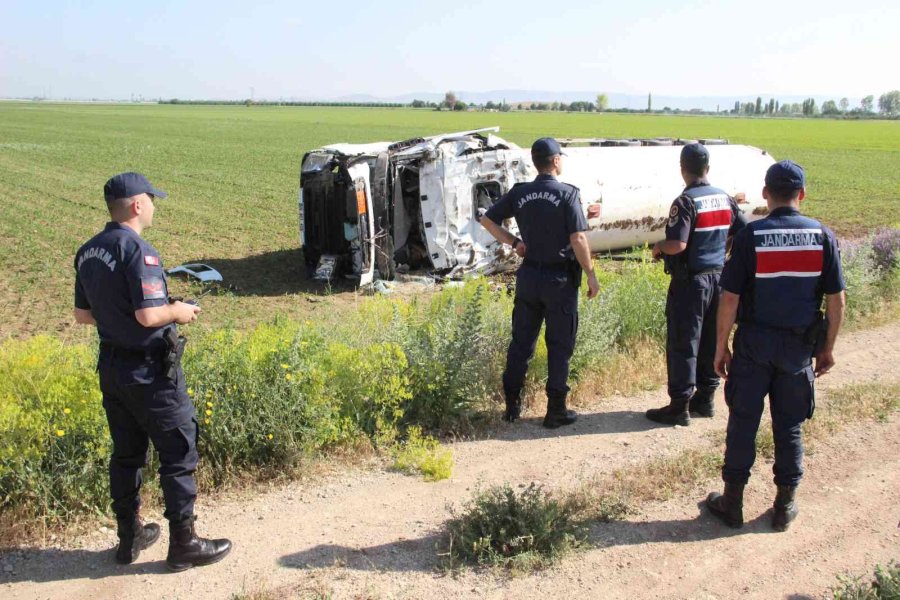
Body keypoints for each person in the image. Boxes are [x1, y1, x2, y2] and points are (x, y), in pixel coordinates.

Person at [73, 172, 232, 570]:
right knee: (178, 451)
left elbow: (82, 315)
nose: (155, 205)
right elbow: (148, 315)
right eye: (152, 199)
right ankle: (184, 544)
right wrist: (179, 311)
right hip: (150, 371)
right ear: (137, 205)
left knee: (127, 455)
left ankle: (129, 539)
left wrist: (119, 320)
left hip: (112, 367)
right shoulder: (139, 250)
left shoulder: (88, 251)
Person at [705, 160, 846, 531]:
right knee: (790, 426)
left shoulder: (751, 236)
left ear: (766, 194)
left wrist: (721, 348)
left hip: (754, 346)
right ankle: (784, 506)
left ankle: (732, 503)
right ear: (801, 194)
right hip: (799, 347)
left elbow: (730, 299)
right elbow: (836, 301)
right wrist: (827, 348)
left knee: (743, 422)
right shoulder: (822, 236)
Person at [479, 138, 600, 428]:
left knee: (521, 342)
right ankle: (555, 409)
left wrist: (515, 242)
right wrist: (591, 274)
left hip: (529, 277)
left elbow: (487, 219)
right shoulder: (568, 194)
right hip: (559, 280)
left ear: (536, 162)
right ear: (556, 161)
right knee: (559, 345)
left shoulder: (521, 193)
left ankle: (511, 406)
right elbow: (578, 238)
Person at [646, 143, 747, 426]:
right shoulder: (725, 198)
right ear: (708, 169)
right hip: (719, 278)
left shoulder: (686, 201)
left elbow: (677, 244)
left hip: (692, 283)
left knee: (684, 341)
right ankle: (706, 399)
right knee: (711, 339)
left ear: (683, 169)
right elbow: (743, 232)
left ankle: (679, 406)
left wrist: (658, 247)